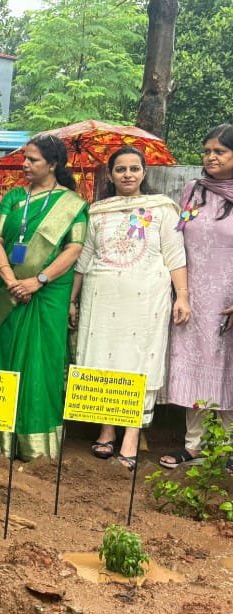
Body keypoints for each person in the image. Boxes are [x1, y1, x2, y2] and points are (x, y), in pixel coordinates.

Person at [70, 146, 190, 470]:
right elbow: (84, 258)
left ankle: (132, 436)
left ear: (144, 172)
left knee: (138, 362)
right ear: (110, 175)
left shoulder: (162, 209)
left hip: (146, 301)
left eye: (133, 169)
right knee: (102, 360)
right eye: (120, 169)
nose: (127, 174)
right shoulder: (97, 212)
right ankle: (106, 430)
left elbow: (175, 256)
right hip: (101, 298)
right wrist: (72, 298)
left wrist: (183, 296)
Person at [0, 134, 89, 461]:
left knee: (42, 361)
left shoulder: (72, 204)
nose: (25, 165)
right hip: (7, 290)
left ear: (53, 164)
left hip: (48, 293)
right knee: (5, 356)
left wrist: (38, 280)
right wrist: (10, 277)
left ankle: (37, 444)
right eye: (25, 159)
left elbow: (74, 249)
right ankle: (2, 441)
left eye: (33, 160)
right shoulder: (14, 197)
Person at [160, 124, 233, 468]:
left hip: (229, 299)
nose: (210, 157)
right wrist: (180, 293)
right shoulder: (193, 191)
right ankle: (195, 444)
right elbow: (178, 239)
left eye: (219, 151)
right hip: (193, 296)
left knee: (229, 368)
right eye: (207, 151)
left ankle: (229, 448)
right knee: (197, 364)